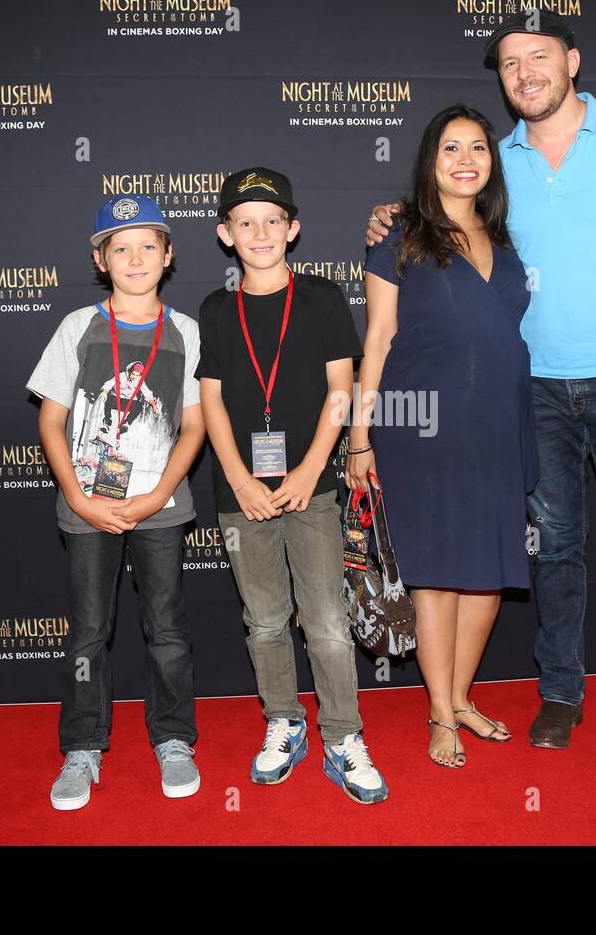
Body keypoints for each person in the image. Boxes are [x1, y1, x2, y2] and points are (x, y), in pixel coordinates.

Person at [366, 10, 596, 772]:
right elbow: (442, 215)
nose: (524, 72)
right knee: (554, 554)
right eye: (510, 63)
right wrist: (395, 213)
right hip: (533, 395)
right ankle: (559, 694)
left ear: (573, 60)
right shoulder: (499, 159)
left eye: (539, 55)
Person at [349, 106, 538, 769]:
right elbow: (376, 340)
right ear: (431, 161)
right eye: (451, 147)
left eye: (478, 148)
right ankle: (438, 714)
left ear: (492, 161)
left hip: (497, 425)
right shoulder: (398, 233)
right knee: (436, 578)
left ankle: (459, 697)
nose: (465, 159)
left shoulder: (508, 243)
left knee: (488, 575)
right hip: (420, 426)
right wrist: (359, 435)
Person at [196, 167, 388, 804]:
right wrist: (238, 479)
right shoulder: (217, 310)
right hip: (241, 494)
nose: (259, 232)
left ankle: (342, 735)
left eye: (271, 220)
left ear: (293, 229)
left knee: (329, 621)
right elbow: (213, 406)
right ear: (226, 234)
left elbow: (342, 390)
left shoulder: (322, 297)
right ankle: (283, 719)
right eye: (244, 222)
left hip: (316, 489)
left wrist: (309, 469)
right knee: (267, 620)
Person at [28, 194, 207, 810]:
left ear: (169, 255)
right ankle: (82, 748)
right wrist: (77, 496)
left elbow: (195, 425)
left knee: (167, 629)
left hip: (161, 504)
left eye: (148, 246)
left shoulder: (185, 332)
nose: (135, 258)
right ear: (101, 259)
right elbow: (51, 422)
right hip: (87, 508)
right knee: (87, 633)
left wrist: (158, 493)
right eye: (120, 247)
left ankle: (175, 739)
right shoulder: (78, 328)